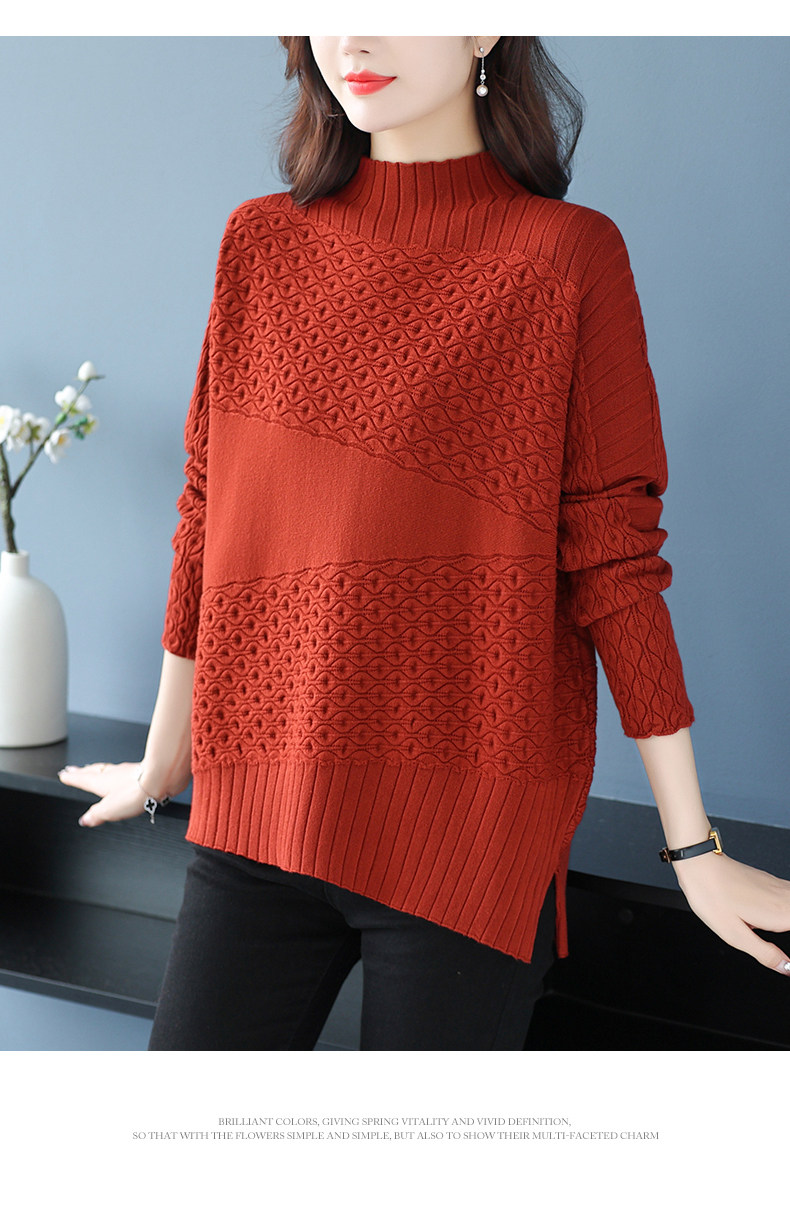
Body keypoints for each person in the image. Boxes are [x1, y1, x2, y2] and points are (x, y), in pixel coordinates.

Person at [59, 36, 790, 1050]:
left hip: (465, 843)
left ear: (486, 28)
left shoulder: (564, 256)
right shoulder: (260, 242)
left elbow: (614, 555)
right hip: (257, 814)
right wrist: (162, 759)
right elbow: (210, 509)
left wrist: (693, 848)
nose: (355, 38)